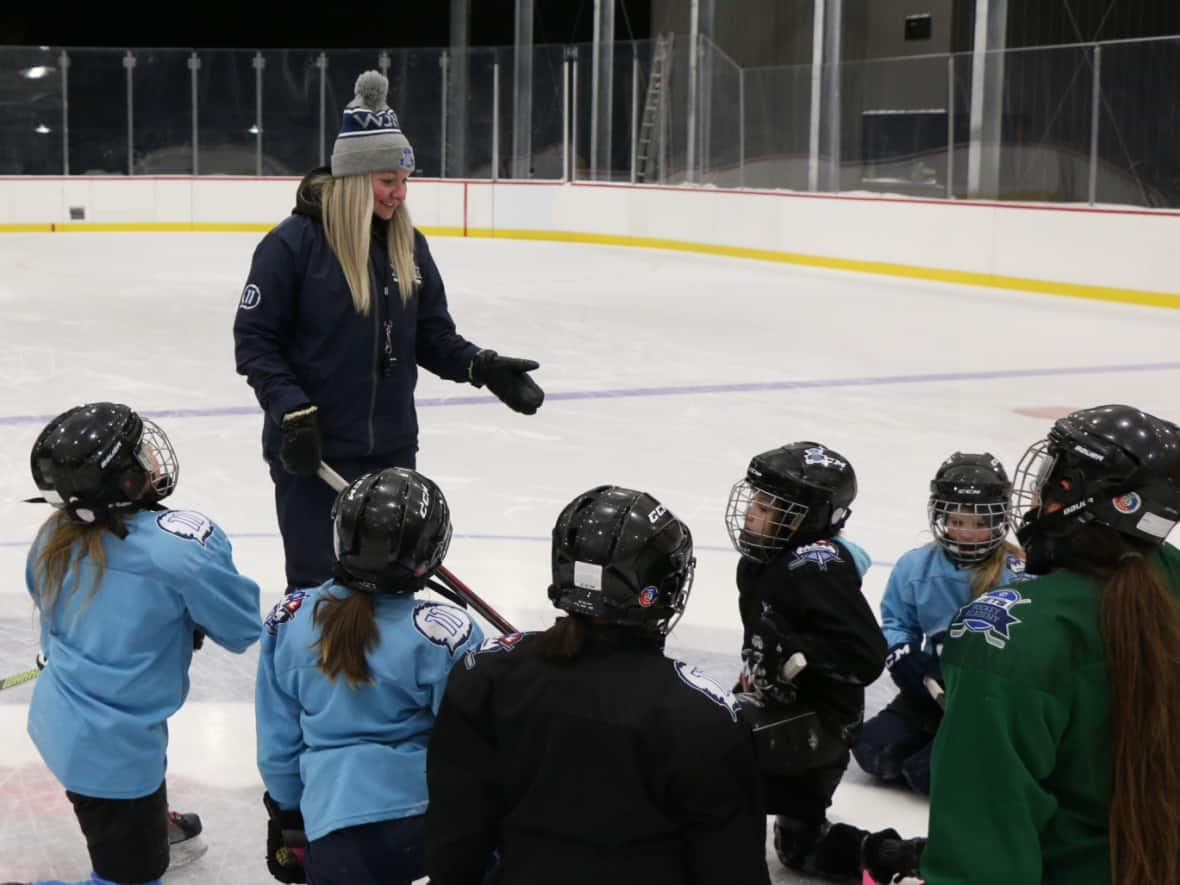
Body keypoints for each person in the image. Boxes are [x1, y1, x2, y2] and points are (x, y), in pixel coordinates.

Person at [233, 69, 544, 594]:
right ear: (354, 178)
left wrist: (482, 367)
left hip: (393, 455)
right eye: (387, 181)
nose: (400, 193)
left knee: (392, 595)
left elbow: (432, 335)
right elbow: (256, 341)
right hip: (315, 455)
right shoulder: (292, 246)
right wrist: (291, 410)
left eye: (404, 181)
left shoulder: (408, 245)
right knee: (319, 596)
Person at [424, 485, 771, 885]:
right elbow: (732, 867)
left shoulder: (486, 674)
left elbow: (456, 837)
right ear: (662, 589)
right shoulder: (700, 715)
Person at [909, 405, 1180, 885]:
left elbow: (982, 854)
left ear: (1079, 497)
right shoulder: (1167, 583)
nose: (1034, 493)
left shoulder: (1007, 630)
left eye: (1050, 477)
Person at [13, 402, 262, 885]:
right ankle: (132, 830)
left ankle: (142, 818)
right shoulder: (182, 551)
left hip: (60, 720)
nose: (150, 454)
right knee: (130, 878)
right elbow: (241, 628)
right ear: (124, 480)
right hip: (112, 757)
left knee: (123, 775)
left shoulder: (52, 537)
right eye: (139, 451)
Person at [256, 466, 484, 885]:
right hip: (426, 823)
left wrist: (288, 815)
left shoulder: (288, 619)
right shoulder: (446, 633)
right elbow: (468, 749)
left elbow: (278, 744)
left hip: (333, 827)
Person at [724, 441, 887, 881]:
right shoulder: (763, 562)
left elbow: (867, 656)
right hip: (791, 712)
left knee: (712, 749)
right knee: (801, 849)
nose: (751, 514)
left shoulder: (815, 567)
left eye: (768, 507)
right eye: (756, 501)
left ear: (811, 518)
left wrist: (798, 657)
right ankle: (891, 856)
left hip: (820, 723)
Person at [852, 452, 1027, 794]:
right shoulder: (915, 567)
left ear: (1000, 520)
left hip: (990, 704)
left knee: (929, 775)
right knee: (874, 752)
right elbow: (896, 623)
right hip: (934, 691)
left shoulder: (1019, 574)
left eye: (980, 523)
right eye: (957, 521)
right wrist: (903, 656)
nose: (966, 533)